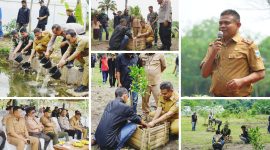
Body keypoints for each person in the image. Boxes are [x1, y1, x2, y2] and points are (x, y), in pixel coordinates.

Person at [200, 9, 265, 97]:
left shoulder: (248, 45)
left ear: (238, 25)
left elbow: (260, 74)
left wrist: (242, 81)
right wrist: (213, 53)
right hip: (216, 97)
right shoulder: (213, 46)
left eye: (227, 23)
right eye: (220, 23)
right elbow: (204, 74)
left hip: (240, 97)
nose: (222, 26)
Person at [140, 53, 166, 118]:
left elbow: (164, 66)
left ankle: (160, 114)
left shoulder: (160, 55)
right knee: (144, 99)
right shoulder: (141, 55)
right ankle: (145, 113)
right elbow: (140, 66)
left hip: (156, 82)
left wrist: (156, 73)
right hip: (145, 82)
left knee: (159, 98)